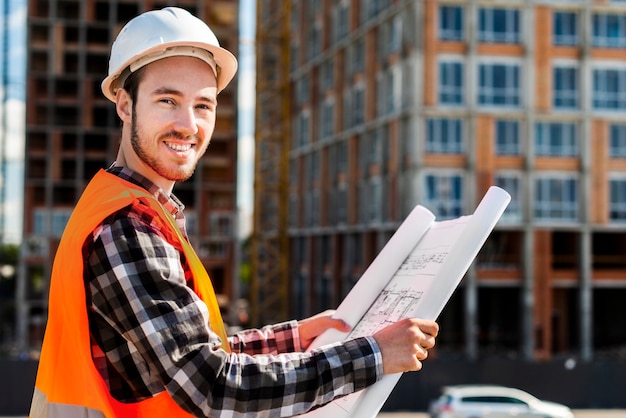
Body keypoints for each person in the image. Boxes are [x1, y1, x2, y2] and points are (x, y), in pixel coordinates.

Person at [30, 7, 438, 418]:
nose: (187, 124)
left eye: (203, 105)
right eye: (167, 100)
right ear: (124, 104)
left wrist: (293, 338)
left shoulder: (130, 207)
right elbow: (213, 387)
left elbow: (180, 355)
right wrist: (372, 356)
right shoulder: (126, 228)